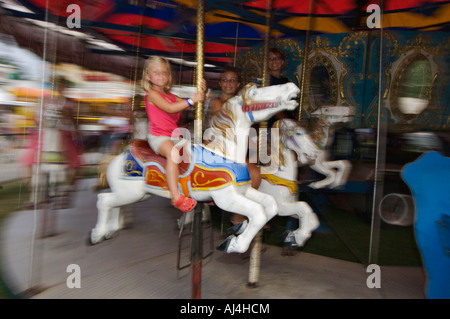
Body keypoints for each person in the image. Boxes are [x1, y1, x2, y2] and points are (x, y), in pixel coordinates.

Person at [142, 56, 206, 213]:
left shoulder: (171, 96)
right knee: (174, 155)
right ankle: (176, 197)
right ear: (148, 76)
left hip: (175, 136)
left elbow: (184, 105)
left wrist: (201, 92)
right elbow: (171, 108)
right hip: (159, 137)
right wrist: (192, 100)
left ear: (169, 76)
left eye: (165, 72)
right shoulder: (152, 94)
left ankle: (202, 188)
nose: (161, 76)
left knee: (196, 153)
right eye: (156, 73)